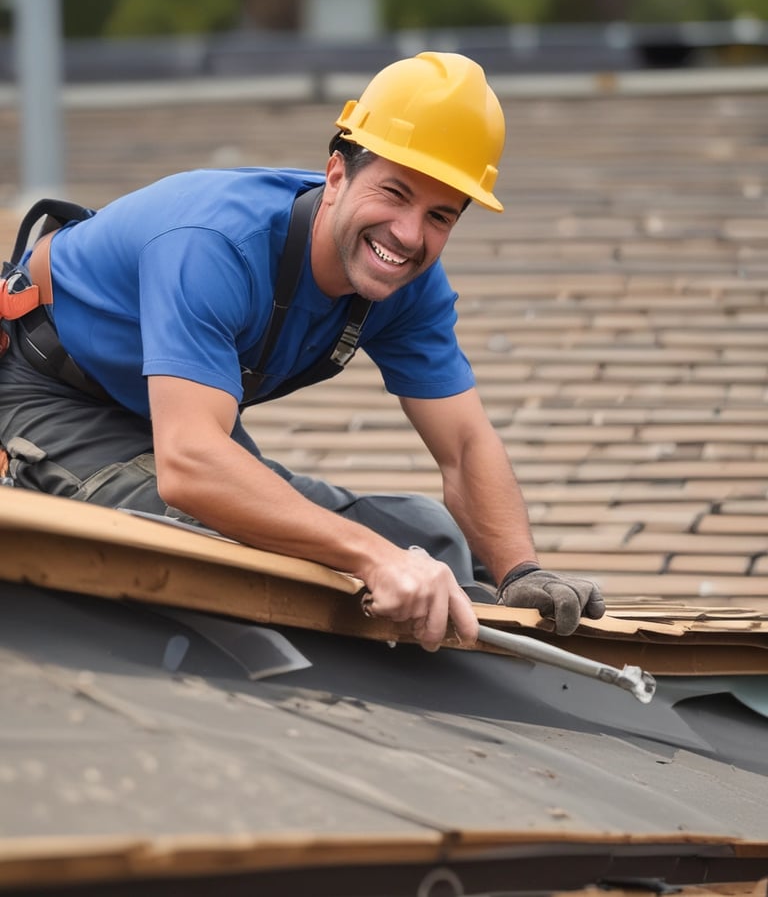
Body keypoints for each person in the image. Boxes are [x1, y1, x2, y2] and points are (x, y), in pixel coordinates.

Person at [0, 51, 604, 651]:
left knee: (427, 540)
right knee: (213, 548)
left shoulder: (408, 284)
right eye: (394, 192)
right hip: (47, 392)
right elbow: (190, 469)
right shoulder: (215, 244)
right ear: (336, 174)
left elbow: (466, 446)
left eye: (440, 215)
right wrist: (373, 558)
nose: (409, 234)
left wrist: (522, 573)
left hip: (175, 417)